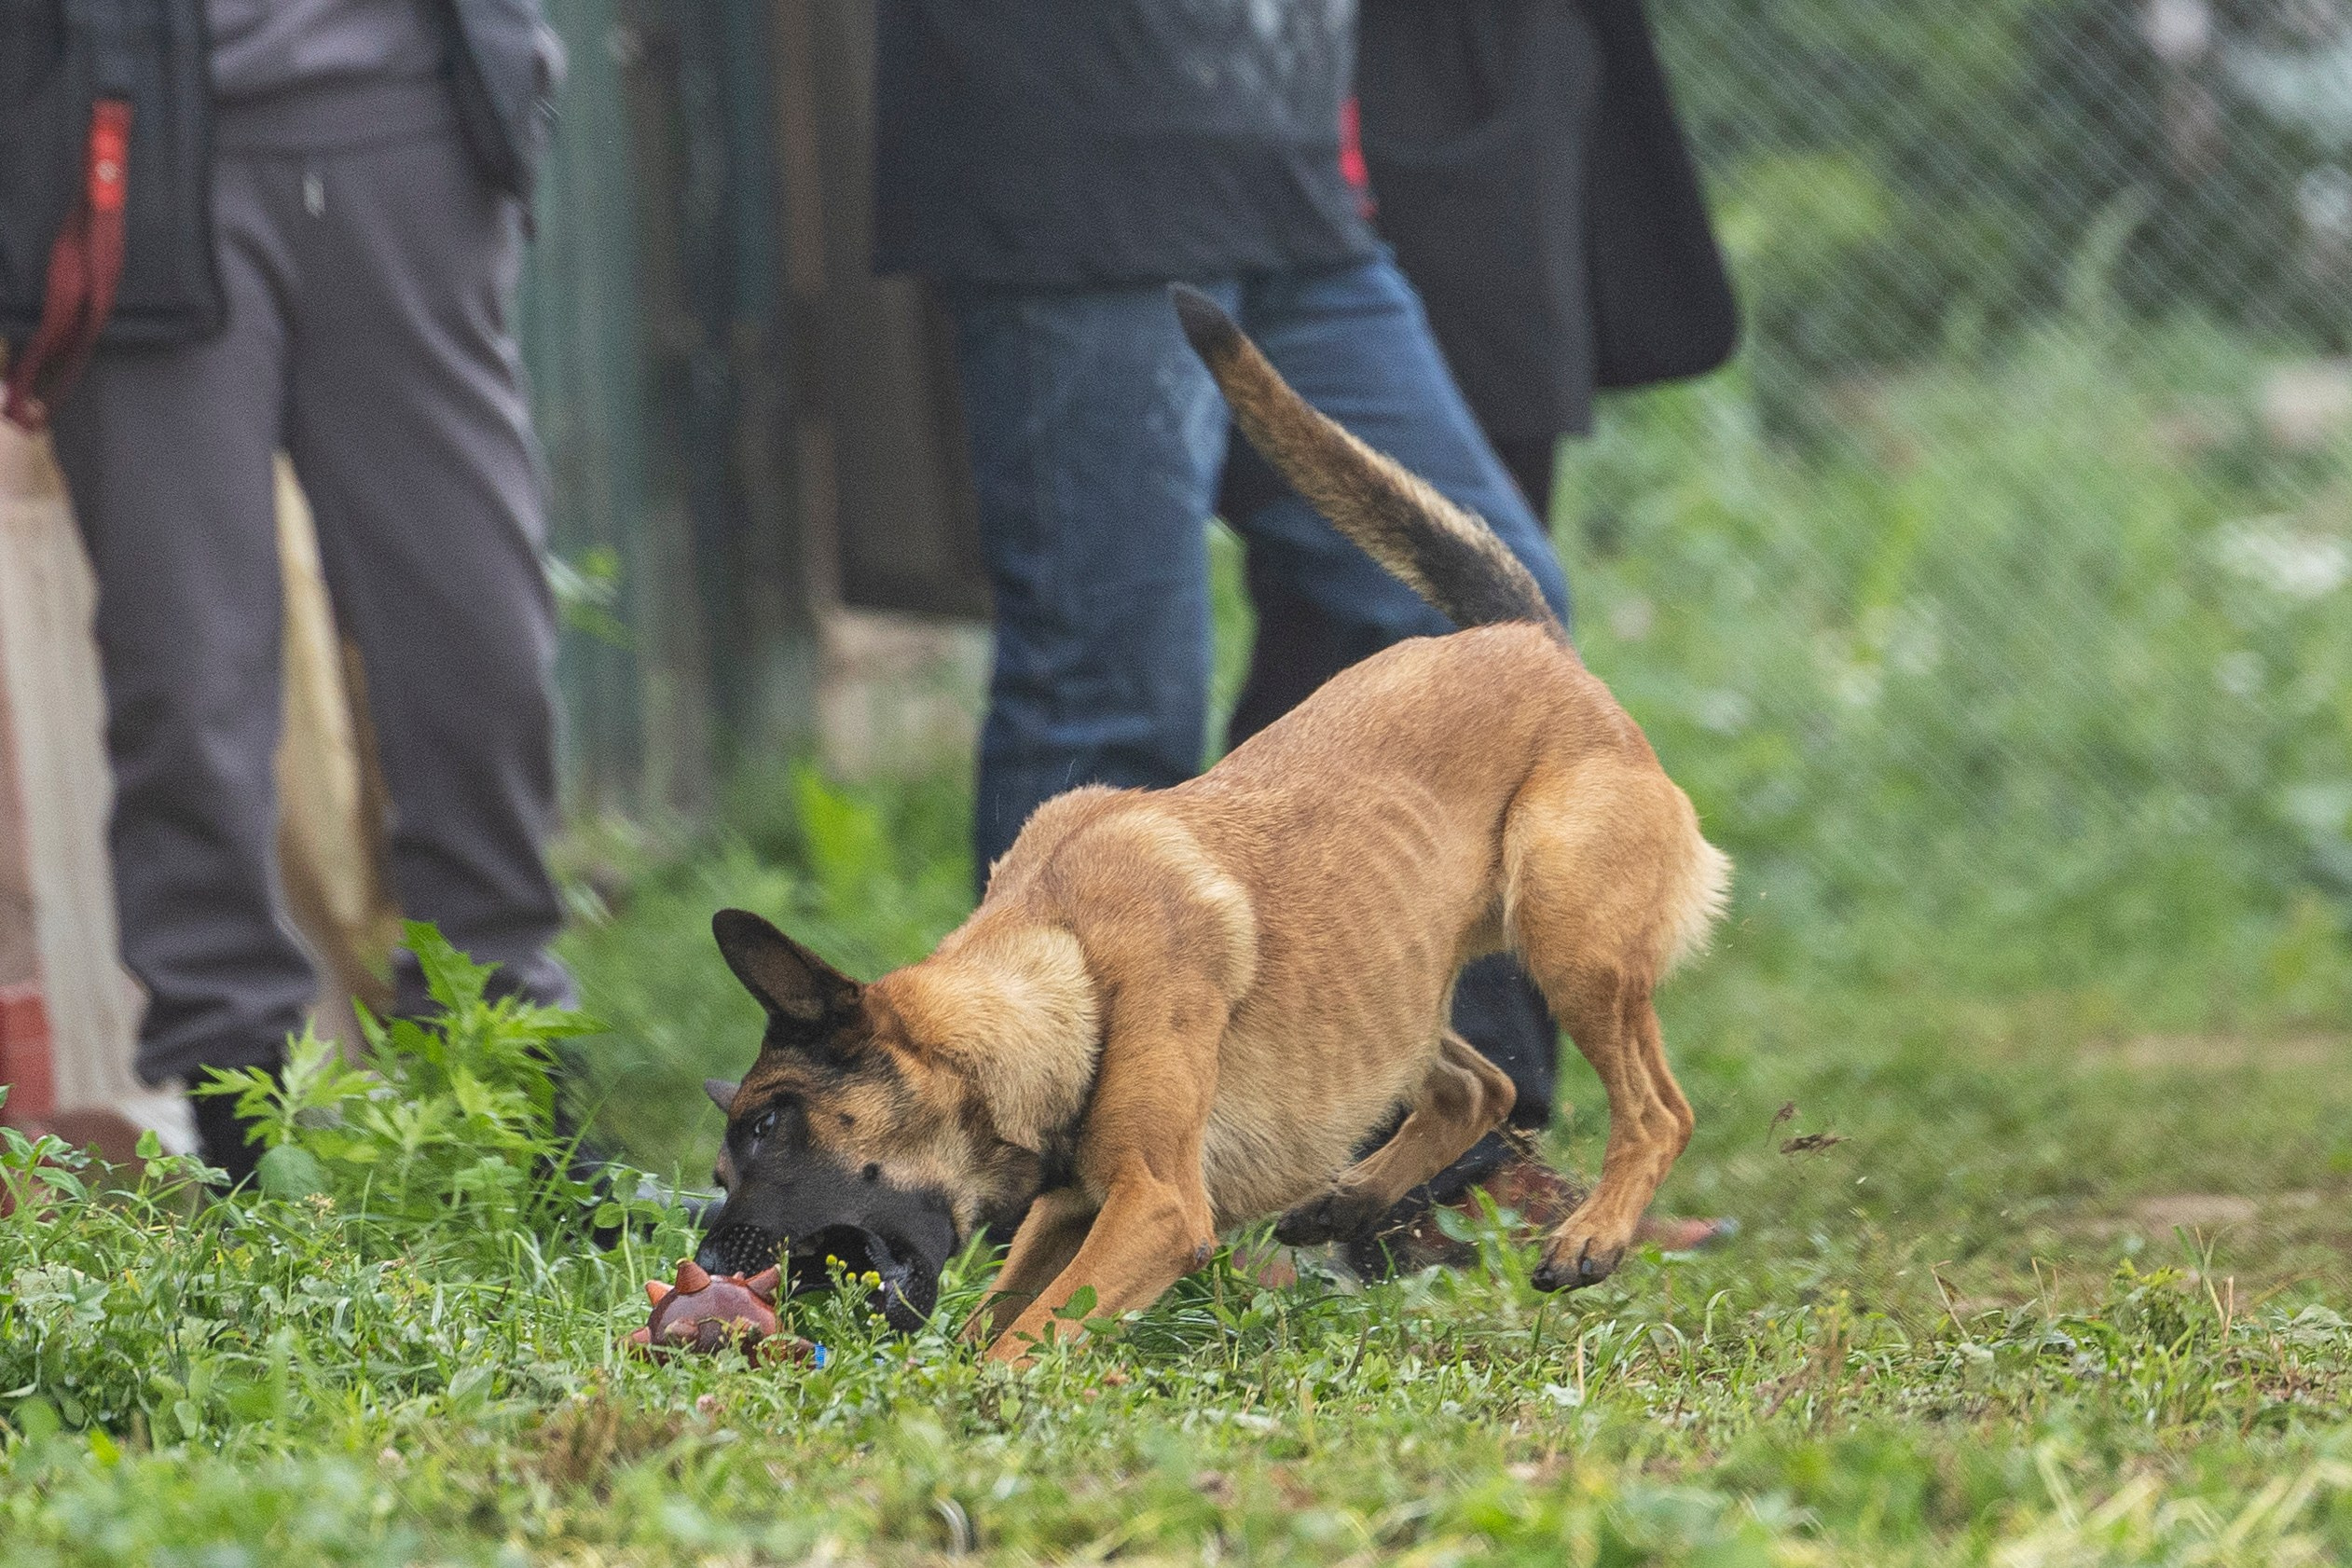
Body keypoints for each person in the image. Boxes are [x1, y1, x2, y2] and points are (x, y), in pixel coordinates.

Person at [873, 0, 1589, 1264]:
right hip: (1085, 177)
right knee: (1114, 692)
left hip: (1293, 189)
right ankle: (1043, 1181)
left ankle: (1388, 1165)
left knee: (1500, 620)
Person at [1227, 0, 1741, 1270]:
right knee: (1335, 634)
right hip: (1308, 121)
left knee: (1497, 623)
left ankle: (1470, 1144)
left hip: (1494, 101)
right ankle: (1330, 1125)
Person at [34, 0, 573, 1183]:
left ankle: (502, 1084)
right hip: (131, 139)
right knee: (187, 676)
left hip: (408, 121)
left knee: (477, 644)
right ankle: (244, 1122)